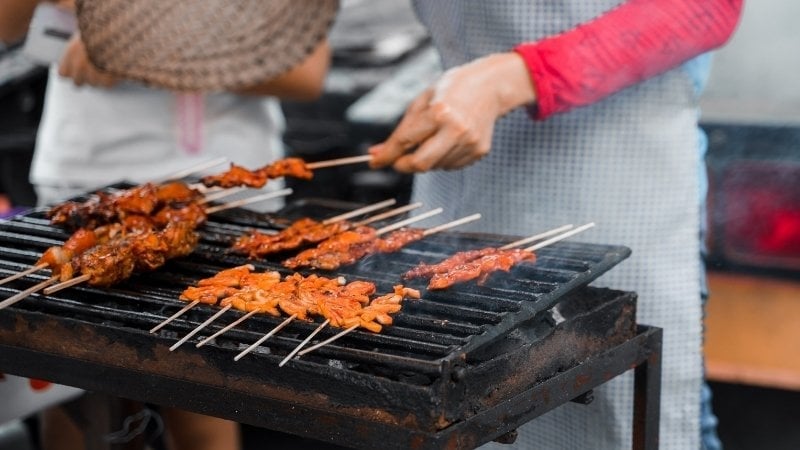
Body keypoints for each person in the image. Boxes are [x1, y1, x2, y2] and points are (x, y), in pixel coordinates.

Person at [369, 1, 743, 449]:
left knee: (631, 414)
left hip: (622, 183)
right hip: (460, 171)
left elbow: (705, 8)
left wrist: (514, 77)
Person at [0, 1, 339, 449]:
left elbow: (306, 73)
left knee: (204, 392)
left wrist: (136, 49)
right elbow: (7, 22)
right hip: (86, 176)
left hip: (225, 183)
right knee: (76, 395)